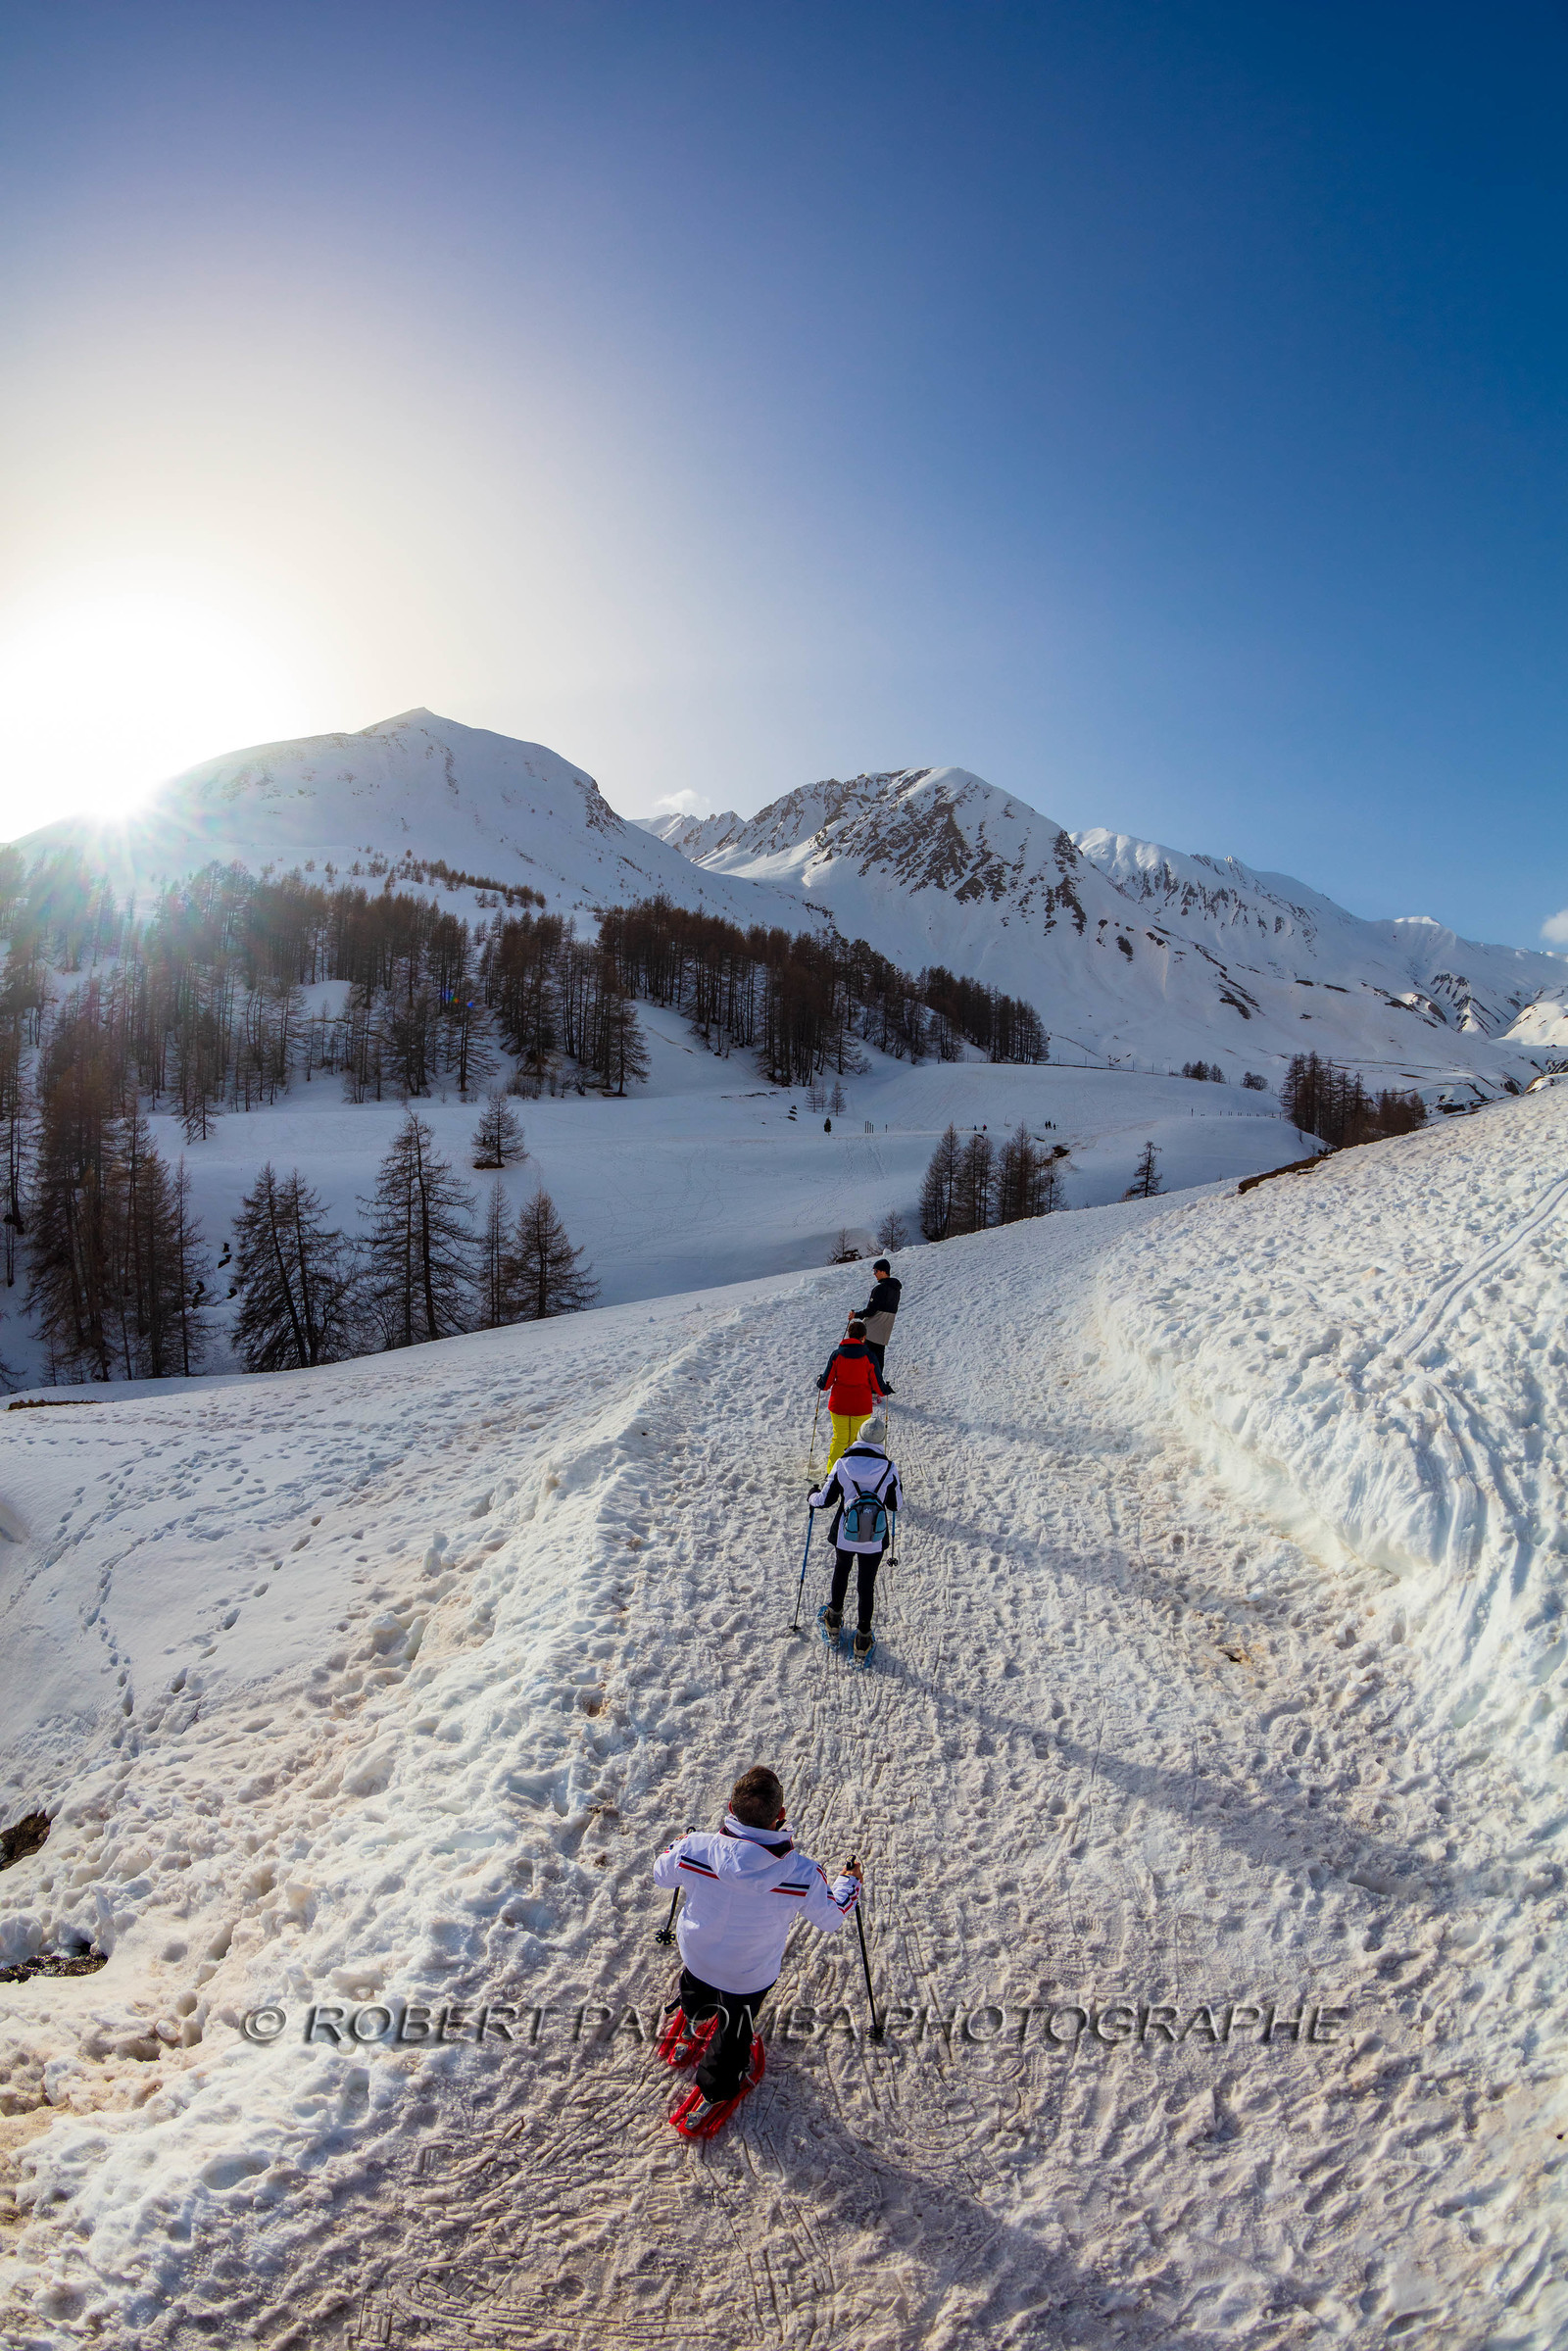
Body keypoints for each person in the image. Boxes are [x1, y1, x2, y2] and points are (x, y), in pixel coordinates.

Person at [654, 1766, 861, 2136]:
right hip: (747, 1975)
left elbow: (661, 1874)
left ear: (731, 1808)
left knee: (695, 1985)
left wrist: (680, 1841)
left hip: (696, 1953)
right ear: (780, 1817)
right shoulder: (803, 1873)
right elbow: (831, 1917)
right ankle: (716, 2089)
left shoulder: (694, 1847)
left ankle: (695, 2017)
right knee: (734, 2033)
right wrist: (850, 1882)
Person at [808, 1414, 904, 1664]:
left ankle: (833, 1620)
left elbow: (825, 1500)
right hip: (874, 1538)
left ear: (860, 1436)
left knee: (841, 1570)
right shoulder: (889, 1467)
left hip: (845, 1535)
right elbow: (896, 1505)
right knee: (866, 1584)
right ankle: (863, 1638)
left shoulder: (843, 1463)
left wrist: (811, 1496)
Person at [814, 1318, 886, 1469]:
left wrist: (820, 1380)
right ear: (864, 1338)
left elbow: (826, 1384)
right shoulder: (869, 1356)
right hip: (861, 1407)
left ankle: (832, 1472)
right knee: (857, 1441)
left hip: (839, 1405)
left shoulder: (837, 1355)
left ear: (848, 1335)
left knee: (839, 1439)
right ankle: (854, 1472)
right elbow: (878, 1387)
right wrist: (886, 1389)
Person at [857, 1257, 902, 1393]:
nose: (874, 1274)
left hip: (872, 1329)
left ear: (883, 1271)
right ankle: (876, 1387)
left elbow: (870, 1311)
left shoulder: (880, 1288)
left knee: (865, 1357)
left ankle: (864, 1385)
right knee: (878, 1359)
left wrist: (855, 1315)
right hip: (885, 1329)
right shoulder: (896, 1289)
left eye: (875, 1271)